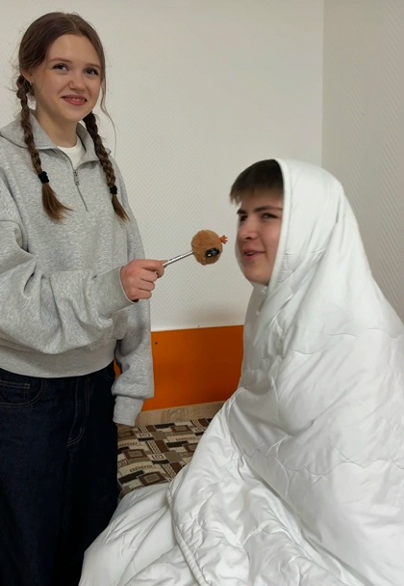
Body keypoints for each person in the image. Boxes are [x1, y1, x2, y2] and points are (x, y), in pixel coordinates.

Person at [80, 158, 404, 586]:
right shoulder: (269, 301)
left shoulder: (364, 330)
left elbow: (349, 472)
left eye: (267, 216)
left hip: (326, 517)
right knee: (112, 552)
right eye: (243, 215)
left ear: (315, 226)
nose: (247, 230)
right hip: (259, 477)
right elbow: (255, 414)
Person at [0, 12, 166, 586]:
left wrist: (130, 389)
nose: (79, 82)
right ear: (29, 72)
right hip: (22, 399)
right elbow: (8, 297)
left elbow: (133, 283)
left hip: (96, 391)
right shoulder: (2, 163)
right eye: (61, 66)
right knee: (26, 560)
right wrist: (109, 287)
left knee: (92, 553)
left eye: (91, 71)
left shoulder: (105, 166)